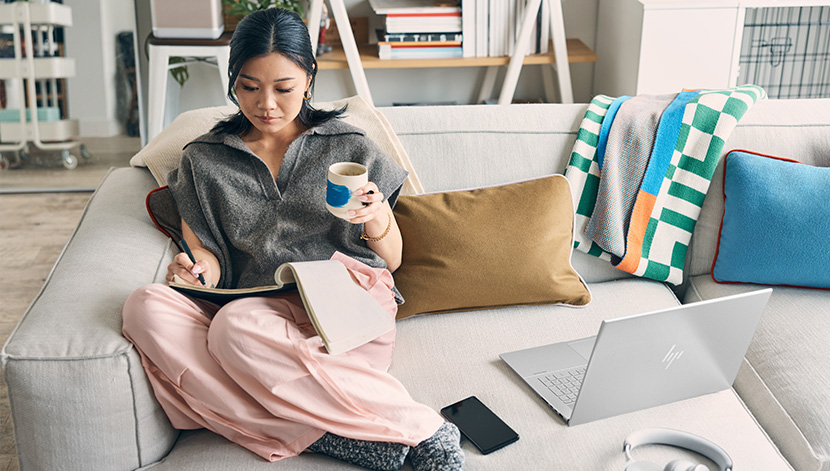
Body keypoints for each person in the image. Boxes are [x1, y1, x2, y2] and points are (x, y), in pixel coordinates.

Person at [121, 8, 464, 471]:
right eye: (249, 86)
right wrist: (196, 269)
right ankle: (327, 436)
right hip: (257, 311)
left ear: (308, 80)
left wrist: (376, 212)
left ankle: (421, 430)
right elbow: (208, 254)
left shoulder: (350, 145)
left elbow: (393, 260)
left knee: (232, 328)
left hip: (347, 311)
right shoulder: (205, 160)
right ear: (232, 80)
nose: (266, 104)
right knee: (146, 306)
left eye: (283, 88)